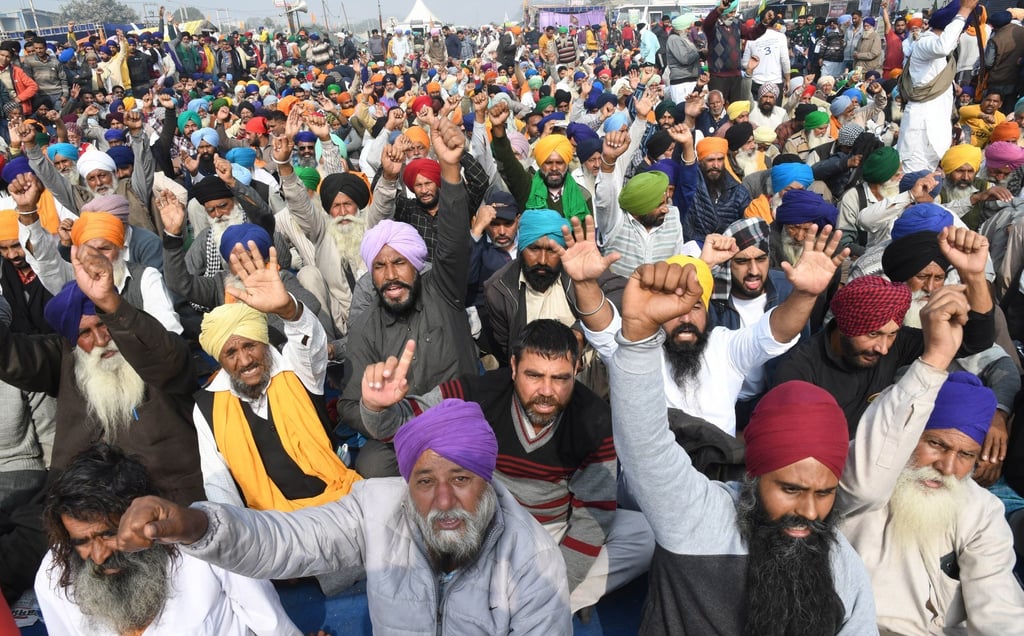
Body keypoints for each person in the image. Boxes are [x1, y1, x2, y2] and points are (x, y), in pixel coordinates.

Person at [603, 256, 907, 633]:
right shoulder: (698, 520)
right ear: (754, 473)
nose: (810, 511)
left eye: (825, 492)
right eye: (791, 489)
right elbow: (644, 445)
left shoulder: (841, 564)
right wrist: (638, 335)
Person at [114, 399, 573, 635]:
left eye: (461, 479)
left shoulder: (532, 559)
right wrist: (197, 526)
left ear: (486, 478)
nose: (443, 502)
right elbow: (285, 541)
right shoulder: (377, 506)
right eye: (425, 482)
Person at [359, 319, 654, 612]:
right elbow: (404, 426)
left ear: (576, 371)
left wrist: (560, 583)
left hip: (553, 528)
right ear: (513, 367)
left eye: (561, 378)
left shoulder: (595, 420)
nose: (547, 391)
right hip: (485, 522)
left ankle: (541, 602)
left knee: (644, 534)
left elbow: (593, 516)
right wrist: (377, 407)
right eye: (534, 376)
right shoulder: (477, 394)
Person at [564, 213, 847, 436]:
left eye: (695, 306)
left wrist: (805, 294)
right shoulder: (635, 350)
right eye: (675, 309)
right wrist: (584, 283)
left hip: (717, 485)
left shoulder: (724, 346)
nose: (686, 318)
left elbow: (777, 331)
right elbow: (602, 325)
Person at [338, 115, 479, 477]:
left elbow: (453, 244)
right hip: (402, 427)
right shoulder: (367, 327)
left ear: (417, 264)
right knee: (370, 465)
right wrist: (379, 407)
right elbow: (350, 404)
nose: (390, 276)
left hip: (462, 413)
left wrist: (449, 170)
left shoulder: (443, 290)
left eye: (399, 262)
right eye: (381, 266)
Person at [36, 443, 299, 636]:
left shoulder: (204, 541)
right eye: (81, 542)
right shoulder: (54, 578)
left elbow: (270, 623)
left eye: (109, 534)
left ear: (142, 514)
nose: (100, 555)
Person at [837, 369, 1024, 632]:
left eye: (965, 455)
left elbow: (998, 610)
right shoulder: (857, 481)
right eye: (937, 444)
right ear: (909, 436)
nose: (947, 467)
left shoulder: (981, 510)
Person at [192, 238, 361, 512]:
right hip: (273, 527)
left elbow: (313, 342)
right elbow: (219, 486)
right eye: (231, 353)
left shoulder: (295, 369)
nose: (245, 360)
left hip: (338, 502)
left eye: (250, 345)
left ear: (265, 343)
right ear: (219, 360)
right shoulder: (208, 407)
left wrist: (287, 310)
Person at [774, 227, 995, 431]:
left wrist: (974, 276)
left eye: (892, 334)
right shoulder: (799, 371)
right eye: (873, 334)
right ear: (844, 327)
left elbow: (975, 341)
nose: (883, 348)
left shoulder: (896, 344)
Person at [897, 0, 979, 172]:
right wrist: (964, 11)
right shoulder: (925, 43)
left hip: (937, 125)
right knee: (914, 176)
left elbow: (932, 73)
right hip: (921, 126)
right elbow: (942, 47)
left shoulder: (939, 50)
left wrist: (951, 85)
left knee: (930, 178)